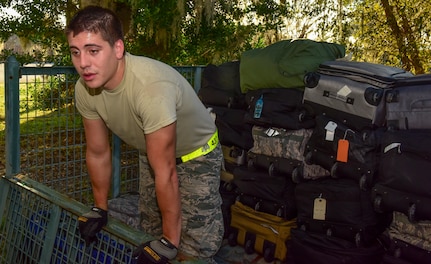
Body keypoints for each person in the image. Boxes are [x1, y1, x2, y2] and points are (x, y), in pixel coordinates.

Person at [65, 5, 224, 263]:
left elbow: (167, 171)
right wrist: (99, 208)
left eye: (93, 51)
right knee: (150, 233)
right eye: (75, 52)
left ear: (118, 48)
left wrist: (170, 242)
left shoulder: (151, 88)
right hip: (153, 154)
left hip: (197, 156)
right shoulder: (85, 89)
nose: (83, 63)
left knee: (192, 248)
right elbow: (97, 152)